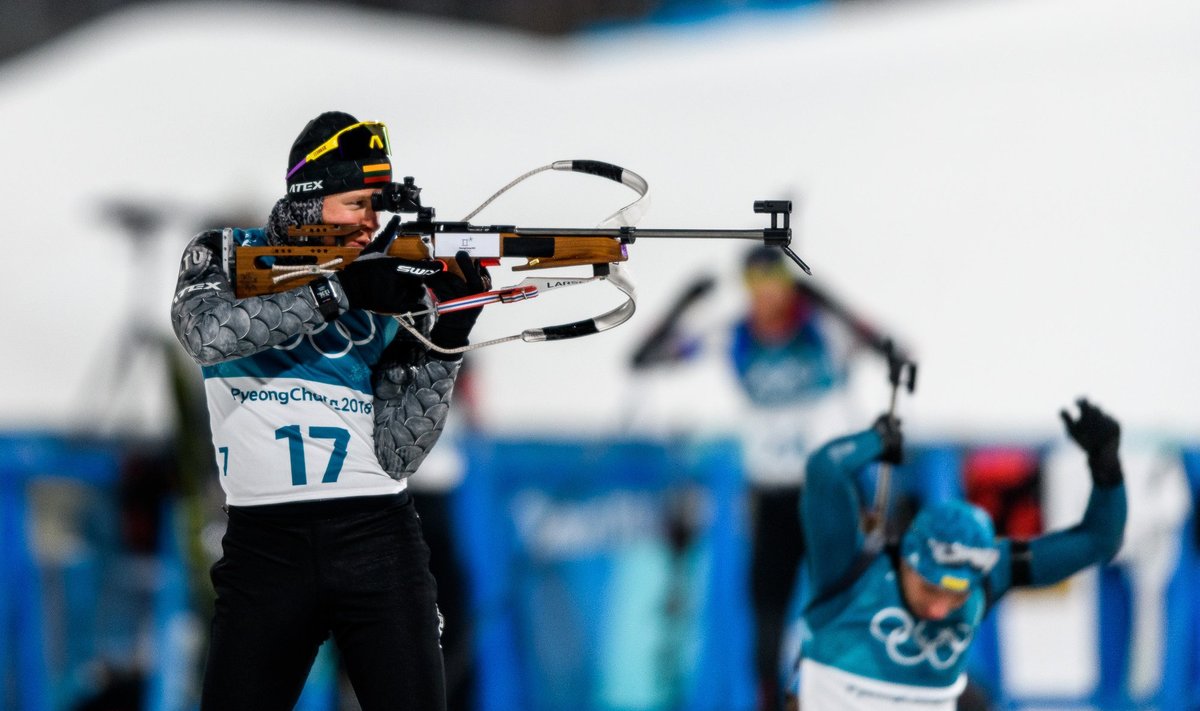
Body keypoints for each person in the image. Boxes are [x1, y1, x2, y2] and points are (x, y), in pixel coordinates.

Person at [170, 111, 485, 711]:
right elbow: (207, 335)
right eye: (356, 203)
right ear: (312, 201)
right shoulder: (225, 256)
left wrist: (448, 333)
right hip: (265, 546)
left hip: (376, 535)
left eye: (376, 206)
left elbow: (401, 449)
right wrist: (339, 292)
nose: (371, 223)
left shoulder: (391, 289)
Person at [630, 245, 895, 709]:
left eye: (775, 284)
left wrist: (825, 296)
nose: (764, 298)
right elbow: (644, 359)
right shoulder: (734, 336)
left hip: (833, 493)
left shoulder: (823, 331)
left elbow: (890, 349)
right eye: (754, 287)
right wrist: (684, 302)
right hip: (773, 498)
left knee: (850, 610)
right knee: (767, 620)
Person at [786, 398, 1128, 710]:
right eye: (930, 588)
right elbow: (826, 470)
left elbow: (1098, 542)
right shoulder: (849, 571)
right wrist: (876, 440)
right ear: (907, 558)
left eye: (957, 595)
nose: (939, 610)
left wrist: (1106, 468)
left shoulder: (991, 572)